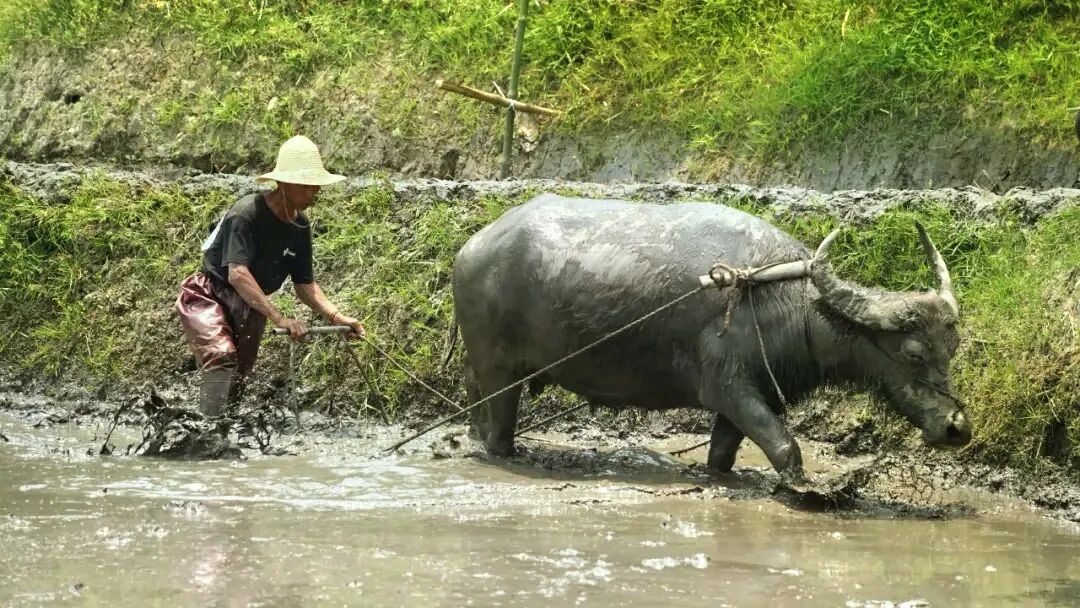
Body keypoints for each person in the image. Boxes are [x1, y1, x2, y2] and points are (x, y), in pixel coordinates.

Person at [175, 135, 365, 416]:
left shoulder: (299, 225)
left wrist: (337, 317)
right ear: (285, 184)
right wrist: (280, 317)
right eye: (308, 185)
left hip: (251, 302)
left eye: (316, 185)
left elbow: (305, 285)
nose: (315, 192)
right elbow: (238, 274)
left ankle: (226, 430)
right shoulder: (246, 214)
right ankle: (206, 431)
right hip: (210, 294)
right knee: (222, 357)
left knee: (241, 369)